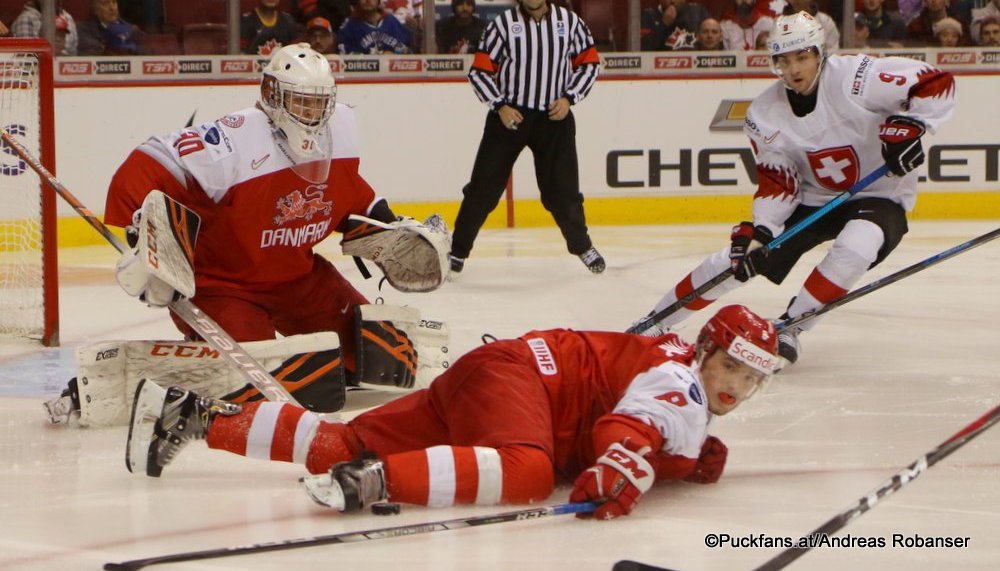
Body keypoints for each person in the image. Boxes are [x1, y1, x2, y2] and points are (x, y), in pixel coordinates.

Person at [43, 44, 451, 428]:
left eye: (319, 103)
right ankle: (139, 384)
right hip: (224, 285)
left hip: (298, 278)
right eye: (300, 101)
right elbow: (145, 164)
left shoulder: (341, 128)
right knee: (250, 378)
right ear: (273, 95)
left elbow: (348, 191)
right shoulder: (235, 139)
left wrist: (389, 223)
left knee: (379, 357)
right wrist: (146, 241)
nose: (311, 114)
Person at [127, 304, 779, 518]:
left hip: (500, 375)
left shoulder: (679, 372)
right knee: (527, 473)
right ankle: (377, 484)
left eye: (750, 378)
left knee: (342, 440)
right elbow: (622, 427)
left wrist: (670, 460)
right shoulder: (681, 378)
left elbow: (634, 423)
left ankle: (191, 415)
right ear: (706, 350)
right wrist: (626, 462)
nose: (734, 384)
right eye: (731, 365)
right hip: (524, 381)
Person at [629, 12, 955, 368]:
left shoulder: (858, 77)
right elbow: (778, 180)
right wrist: (762, 231)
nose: (794, 68)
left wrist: (913, 124)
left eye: (802, 56)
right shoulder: (764, 113)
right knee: (735, 260)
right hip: (812, 200)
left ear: (819, 53)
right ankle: (654, 323)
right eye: (784, 60)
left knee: (857, 246)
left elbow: (936, 81)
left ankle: (790, 327)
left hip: (880, 194)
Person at [450, 0, 604, 275]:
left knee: (563, 193)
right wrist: (500, 106)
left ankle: (582, 246)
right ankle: (457, 251)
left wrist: (570, 98)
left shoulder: (570, 23)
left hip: (554, 119)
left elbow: (589, 64)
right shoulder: (503, 25)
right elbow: (480, 72)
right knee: (483, 190)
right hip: (510, 118)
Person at [338, 0, 413, 54]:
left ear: (378, 1)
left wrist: (393, 54)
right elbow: (344, 52)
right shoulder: (350, 26)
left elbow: (406, 48)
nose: (368, 0)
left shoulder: (391, 22)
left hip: (391, 73)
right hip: (364, 73)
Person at [11, 0, 79, 56]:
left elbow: (73, 55)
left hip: (63, 68)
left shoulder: (67, 18)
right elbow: (26, 57)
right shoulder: (26, 19)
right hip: (38, 69)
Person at [77, 0, 143, 56]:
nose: (112, 8)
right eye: (105, 4)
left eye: (114, 2)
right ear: (95, 10)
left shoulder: (131, 29)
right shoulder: (83, 29)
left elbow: (145, 49)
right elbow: (90, 49)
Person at [640, 0, 710, 51]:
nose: (672, 1)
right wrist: (664, 24)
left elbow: (713, 41)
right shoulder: (648, 16)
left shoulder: (697, 13)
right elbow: (644, 49)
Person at [906, 0, 971, 46]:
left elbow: (967, 46)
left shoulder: (961, 24)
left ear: (946, 1)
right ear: (925, 2)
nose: (934, 1)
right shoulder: (915, 26)